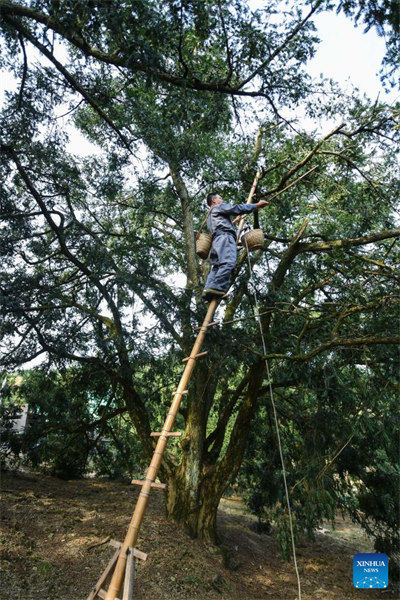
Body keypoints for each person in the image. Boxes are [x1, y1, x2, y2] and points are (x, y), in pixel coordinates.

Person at [202, 193, 269, 300]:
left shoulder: (209, 215)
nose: (222, 200)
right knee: (228, 261)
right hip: (225, 237)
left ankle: (208, 290)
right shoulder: (218, 207)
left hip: (216, 242)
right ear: (214, 201)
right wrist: (256, 205)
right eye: (220, 198)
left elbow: (220, 224)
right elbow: (236, 208)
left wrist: (235, 221)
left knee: (216, 267)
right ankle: (216, 287)